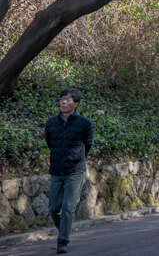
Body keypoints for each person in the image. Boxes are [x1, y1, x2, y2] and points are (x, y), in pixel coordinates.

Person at [45, 88, 93, 254]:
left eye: (68, 99)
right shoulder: (51, 123)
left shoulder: (84, 124)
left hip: (75, 171)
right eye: (62, 99)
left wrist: (76, 158)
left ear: (76, 104)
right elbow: (50, 143)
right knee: (53, 208)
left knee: (67, 208)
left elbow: (88, 145)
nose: (63, 102)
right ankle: (64, 230)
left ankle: (62, 240)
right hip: (57, 170)